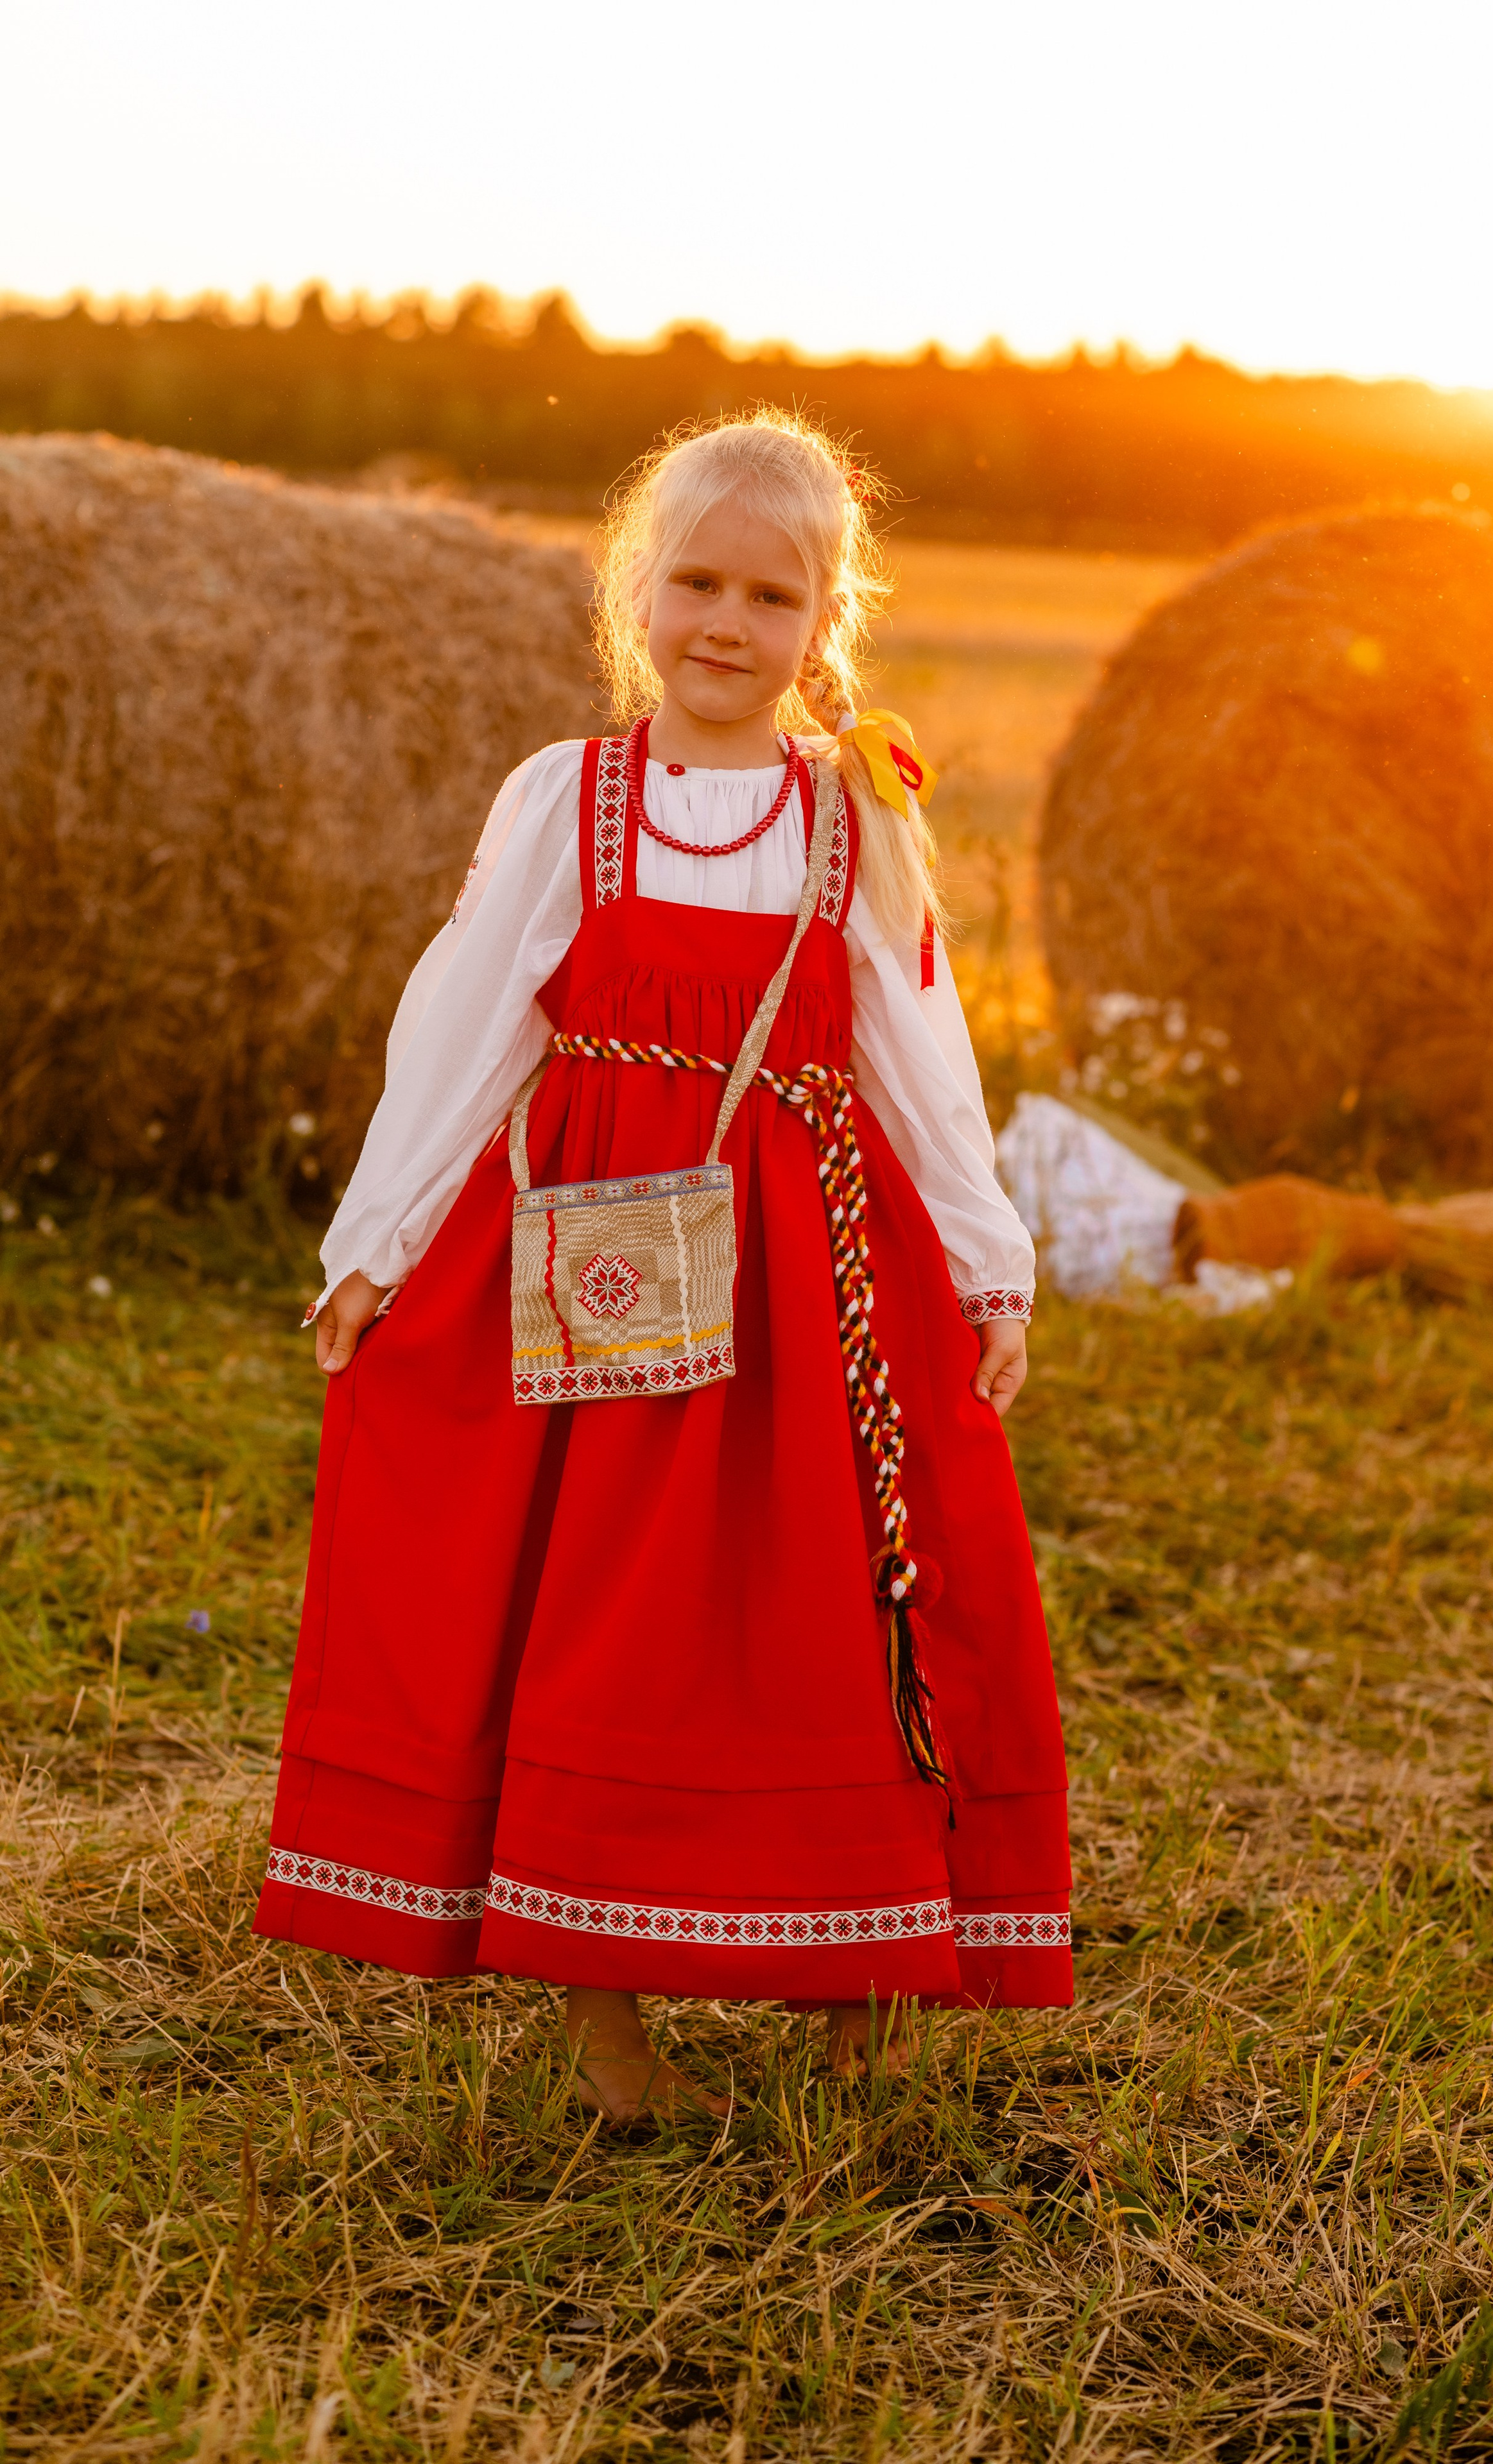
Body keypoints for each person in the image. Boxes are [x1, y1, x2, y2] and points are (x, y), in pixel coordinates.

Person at [254, 410, 1071, 2122]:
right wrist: (375, 1245)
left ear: (824, 618)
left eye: (771, 595)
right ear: (639, 592)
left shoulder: (855, 813)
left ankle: (861, 1977)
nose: (726, 623)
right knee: (598, 1620)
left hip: (811, 1271)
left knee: (832, 1612)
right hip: (611, 1261)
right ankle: (607, 2028)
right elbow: (467, 1025)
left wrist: (989, 1269)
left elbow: (925, 1054)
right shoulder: (571, 797)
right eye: (695, 580)